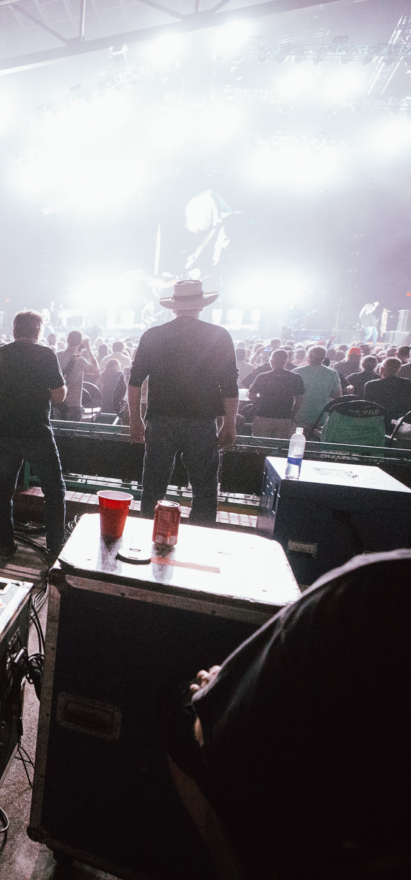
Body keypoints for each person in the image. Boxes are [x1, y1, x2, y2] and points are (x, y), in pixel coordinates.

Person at [166, 550, 411, 880]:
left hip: (327, 838)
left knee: (179, 705)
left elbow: (214, 731)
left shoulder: (369, 586)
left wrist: (215, 687)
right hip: (379, 827)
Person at [128, 280, 238, 526]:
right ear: (201, 306)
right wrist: (230, 424)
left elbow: (134, 381)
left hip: (160, 420)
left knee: (154, 487)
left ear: (174, 307)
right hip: (202, 422)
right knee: (205, 490)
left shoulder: (154, 334)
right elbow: (230, 385)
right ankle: (200, 539)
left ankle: (148, 538)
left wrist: (135, 419)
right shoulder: (219, 335)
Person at [0, 310, 67, 557]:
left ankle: (6, 545)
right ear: (38, 331)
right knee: (54, 490)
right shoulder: (46, 354)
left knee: (4, 488)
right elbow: (59, 395)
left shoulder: (1, 352)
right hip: (37, 431)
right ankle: (54, 548)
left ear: (14, 329)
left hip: (8, 430)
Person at [248, 349, 304, 439]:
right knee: (279, 447)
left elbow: (251, 395)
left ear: (271, 361)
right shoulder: (296, 378)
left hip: (263, 415)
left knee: (260, 446)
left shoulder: (262, 376)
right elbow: (299, 401)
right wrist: (292, 415)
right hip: (285, 416)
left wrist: (260, 401)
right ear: (286, 361)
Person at [292, 345, 340, 433]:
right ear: (324, 358)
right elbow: (337, 395)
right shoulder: (332, 373)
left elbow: (291, 393)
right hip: (321, 415)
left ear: (309, 356)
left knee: (298, 440)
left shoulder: (297, 372)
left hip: (299, 415)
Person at [363, 357, 411, 433]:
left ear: (381, 369)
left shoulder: (371, 385)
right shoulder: (407, 383)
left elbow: (368, 406)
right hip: (402, 423)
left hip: (379, 422)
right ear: (399, 370)